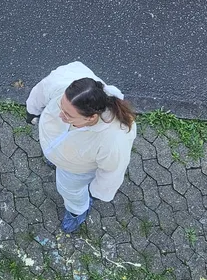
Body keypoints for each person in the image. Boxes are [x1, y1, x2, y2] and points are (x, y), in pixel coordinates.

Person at [25, 62, 137, 233]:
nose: (60, 115)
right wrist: (32, 110)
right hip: (59, 150)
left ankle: (76, 211)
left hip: (76, 170)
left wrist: (95, 192)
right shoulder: (67, 85)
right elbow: (43, 89)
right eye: (61, 106)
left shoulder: (114, 140)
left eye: (68, 115)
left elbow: (111, 172)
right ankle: (54, 160)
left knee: (70, 191)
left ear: (91, 118)